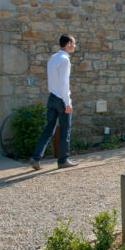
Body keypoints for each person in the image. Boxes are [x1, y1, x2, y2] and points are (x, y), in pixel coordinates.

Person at [29, 34, 78, 170]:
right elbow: (64, 83)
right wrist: (68, 103)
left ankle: (35, 158)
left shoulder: (52, 58)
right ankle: (63, 160)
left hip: (51, 98)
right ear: (68, 43)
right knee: (65, 130)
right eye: (73, 43)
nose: (74, 46)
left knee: (48, 129)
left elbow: (50, 79)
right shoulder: (65, 60)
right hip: (62, 99)